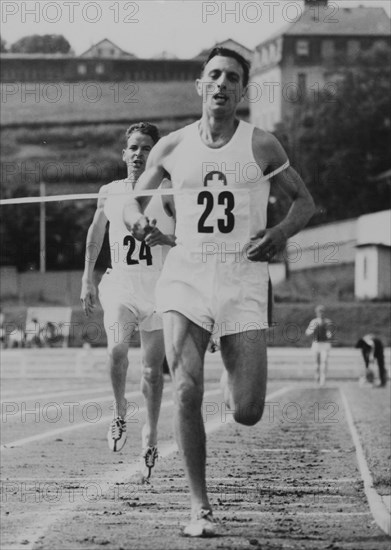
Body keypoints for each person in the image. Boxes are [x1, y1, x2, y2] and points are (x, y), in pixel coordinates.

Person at [123, 47, 315, 536]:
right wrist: (139, 221)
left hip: (243, 274)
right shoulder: (171, 146)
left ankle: (233, 368)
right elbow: (132, 202)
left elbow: (306, 203)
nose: (222, 84)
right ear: (199, 85)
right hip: (187, 274)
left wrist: (281, 233)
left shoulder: (263, 145)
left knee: (247, 411)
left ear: (243, 90)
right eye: (214, 75)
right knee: (186, 389)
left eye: (232, 77)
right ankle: (199, 508)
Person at [80, 122, 175, 479]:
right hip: (121, 284)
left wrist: (164, 237)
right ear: (124, 153)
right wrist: (87, 276)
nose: (138, 154)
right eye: (133, 147)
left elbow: (187, 238)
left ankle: (150, 433)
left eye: (146, 148)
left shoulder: (168, 191)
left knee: (152, 370)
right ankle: (120, 411)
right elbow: (96, 232)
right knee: (116, 349)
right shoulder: (110, 191)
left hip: (159, 289)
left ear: (156, 155)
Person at [305, 305, 334, 386]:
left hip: (325, 344)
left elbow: (330, 332)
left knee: (324, 362)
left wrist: (329, 334)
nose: (320, 313)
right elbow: (307, 332)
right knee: (316, 364)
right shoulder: (314, 322)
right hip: (316, 345)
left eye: (322, 312)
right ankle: (317, 375)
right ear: (316, 313)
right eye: (319, 312)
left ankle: (323, 379)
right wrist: (311, 330)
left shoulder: (328, 321)